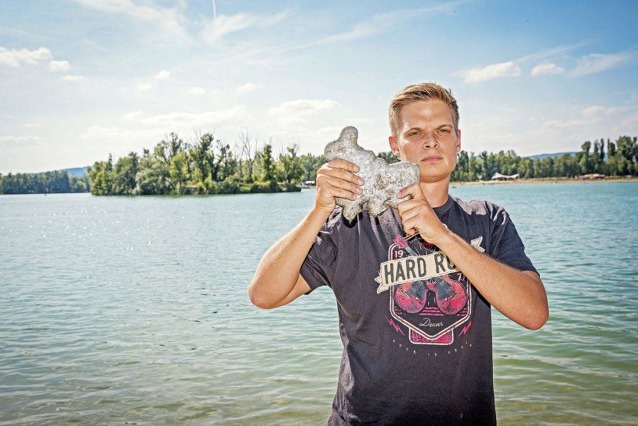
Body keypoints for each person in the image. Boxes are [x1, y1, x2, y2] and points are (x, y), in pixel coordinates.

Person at [248, 82, 549, 425]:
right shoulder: (353, 226)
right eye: (415, 132)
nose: (431, 141)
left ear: (458, 140)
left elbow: (533, 313)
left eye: (442, 130)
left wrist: (443, 235)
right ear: (395, 145)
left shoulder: (488, 220)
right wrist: (319, 211)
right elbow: (263, 294)